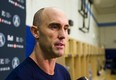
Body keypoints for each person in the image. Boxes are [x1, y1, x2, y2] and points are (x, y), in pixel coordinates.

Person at [5, 7, 71, 80]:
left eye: (65, 28)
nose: (62, 35)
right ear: (36, 32)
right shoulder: (19, 77)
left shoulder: (64, 73)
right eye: (54, 27)